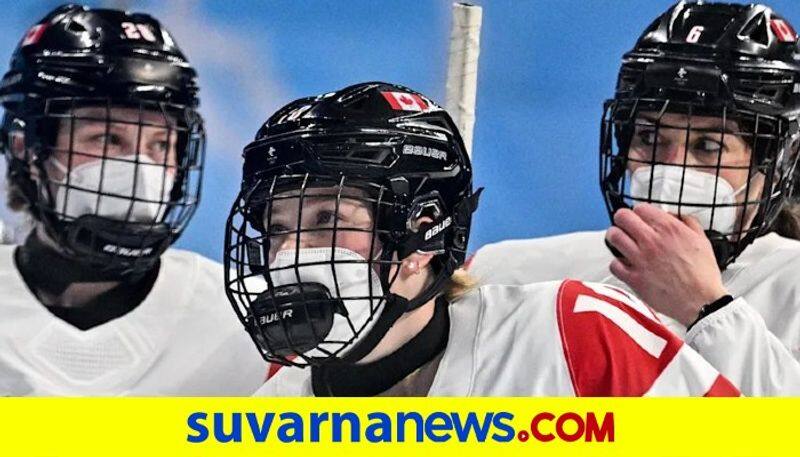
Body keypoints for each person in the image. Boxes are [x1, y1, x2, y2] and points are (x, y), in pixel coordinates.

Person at [223, 81, 739, 397]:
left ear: (423, 231)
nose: (291, 253)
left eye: (327, 220)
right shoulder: (274, 412)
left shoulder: (575, 333)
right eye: (277, 228)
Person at [468, 1, 800, 396]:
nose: (671, 168)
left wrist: (707, 309)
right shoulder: (514, 273)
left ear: (776, 164)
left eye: (708, 145)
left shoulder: (790, 284)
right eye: (649, 138)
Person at [0, 4, 265, 395]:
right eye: (108, 139)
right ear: (28, 150)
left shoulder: (245, 324)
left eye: (161, 144)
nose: (141, 170)